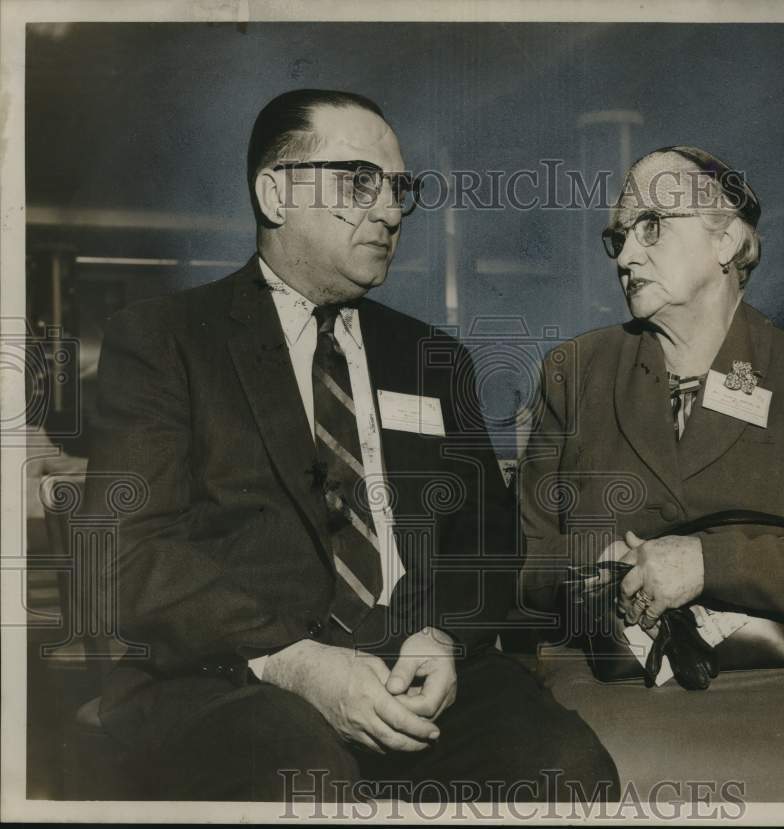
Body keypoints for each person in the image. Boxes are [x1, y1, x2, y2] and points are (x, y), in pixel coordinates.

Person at [85, 88, 619, 803]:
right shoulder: (166, 342)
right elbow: (127, 554)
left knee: (569, 770)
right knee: (306, 779)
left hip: (416, 675)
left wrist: (446, 637)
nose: (393, 211)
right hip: (234, 678)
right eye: (359, 181)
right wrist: (295, 661)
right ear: (275, 192)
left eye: (400, 188)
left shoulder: (434, 357)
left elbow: (490, 539)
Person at [518, 146, 784, 802]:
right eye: (618, 236)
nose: (624, 255)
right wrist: (598, 568)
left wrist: (707, 562)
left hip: (777, 684)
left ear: (726, 239)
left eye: (651, 226)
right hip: (611, 681)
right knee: (570, 776)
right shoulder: (573, 374)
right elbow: (528, 571)